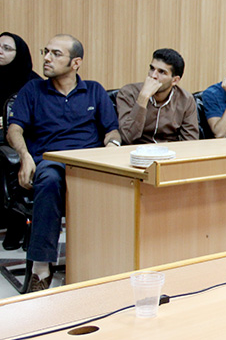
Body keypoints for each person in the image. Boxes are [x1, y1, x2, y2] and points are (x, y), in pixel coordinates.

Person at [7, 34, 120, 292]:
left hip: (89, 163)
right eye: (46, 52)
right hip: (51, 161)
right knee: (49, 178)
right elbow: (14, 129)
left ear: (76, 63)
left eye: (56, 54)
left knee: (123, 183)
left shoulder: (94, 90)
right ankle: (41, 268)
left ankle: (103, 264)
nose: (47, 58)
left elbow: (112, 131)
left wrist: (112, 148)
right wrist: (25, 156)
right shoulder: (33, 90)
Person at [0, 32, 42, 250]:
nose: (0, 52)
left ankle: (18, 222)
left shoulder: (33, 84)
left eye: (7, 48)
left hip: (24, 138)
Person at [116, 48, 199, 144]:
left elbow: (190, 142)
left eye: (161, 72)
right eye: (152, 69)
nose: (153, 75)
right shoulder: (128, 93)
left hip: (170, 151)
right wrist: (143, 98)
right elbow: (127, 138)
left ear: (175, 80)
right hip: (137, 150)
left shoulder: (186, 100)